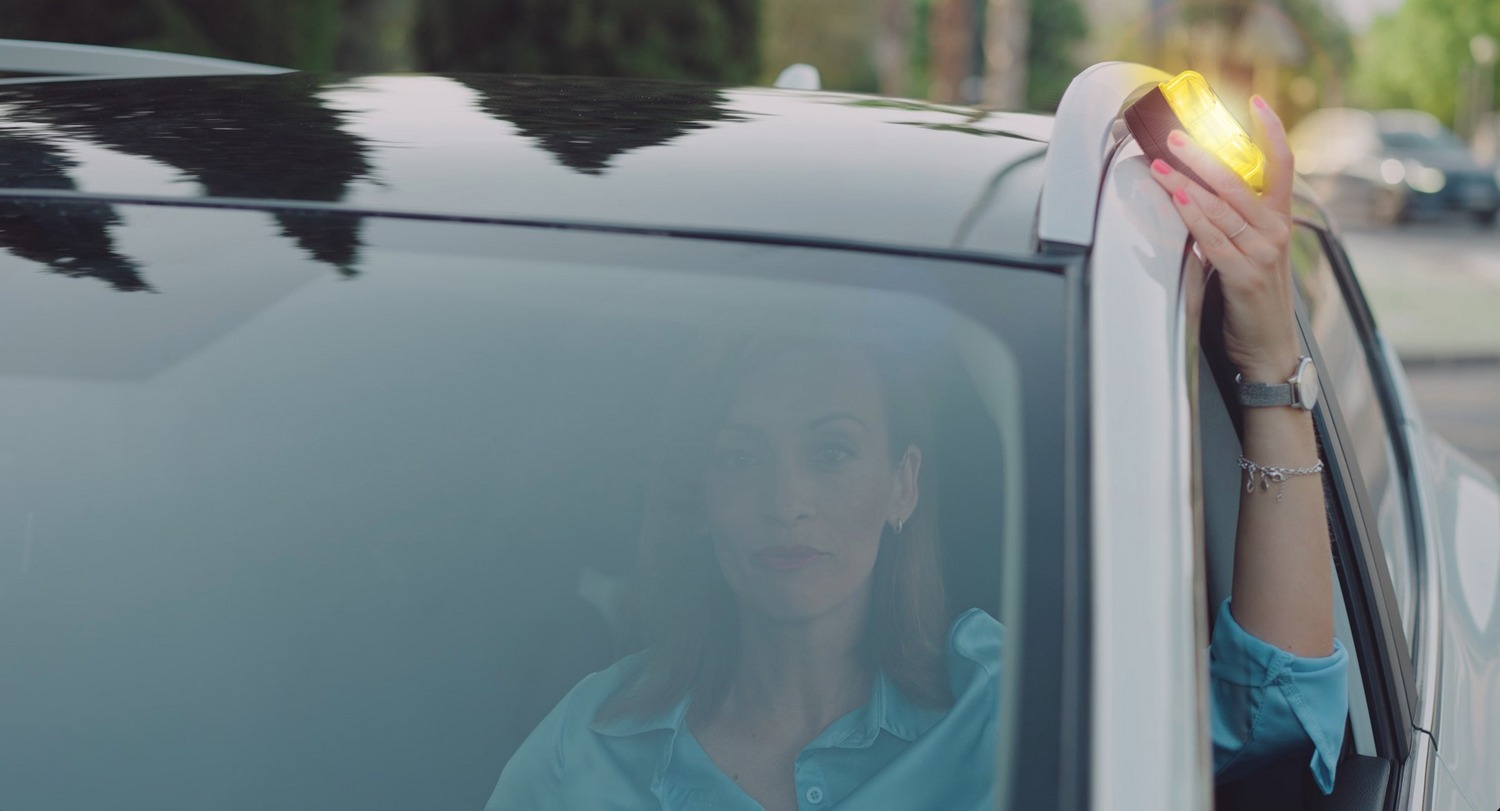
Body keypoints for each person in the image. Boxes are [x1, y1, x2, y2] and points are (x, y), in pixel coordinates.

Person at [486, 98, 1348, 811]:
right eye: (740, 458)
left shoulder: (1004, 704)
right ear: (701, 498)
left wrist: (1270, 366)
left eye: (831, 452)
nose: (787, 498)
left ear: (903, 484)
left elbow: (1272, 721)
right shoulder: (586, 750)